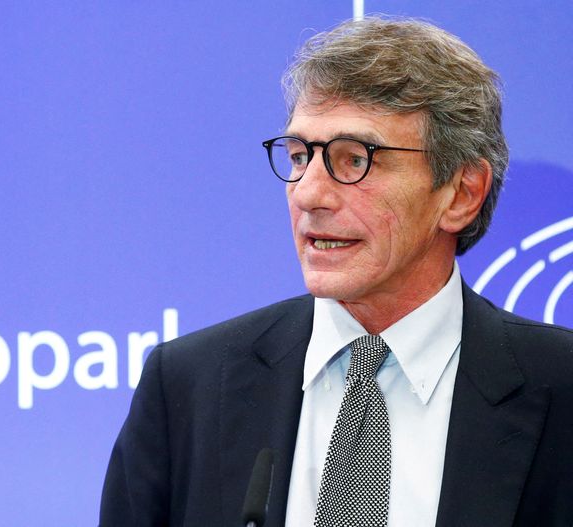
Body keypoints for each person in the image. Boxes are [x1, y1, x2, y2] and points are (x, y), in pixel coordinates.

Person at [100, 17, 573, 527]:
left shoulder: (560, 388)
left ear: (462, 194)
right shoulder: (187, 386)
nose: (308, 193)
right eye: (300, 156)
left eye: (354, 161)